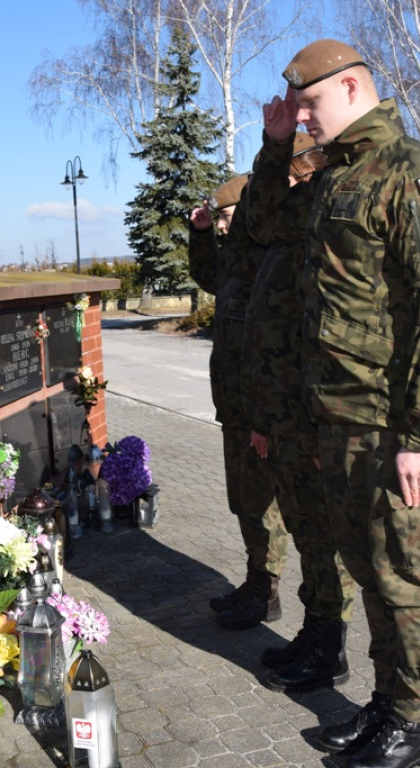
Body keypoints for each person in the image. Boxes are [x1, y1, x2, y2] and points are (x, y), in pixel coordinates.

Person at [264, 40, 420, 768]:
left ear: (352, 88)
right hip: (338, 419)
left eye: (311, 105)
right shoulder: (330, 179)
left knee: (406, 575)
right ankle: (388, 704)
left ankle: (414, 724)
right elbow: (267, 238)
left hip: (391, 423)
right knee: (369, 565)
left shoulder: (413, 173)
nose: (304, 120)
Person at [239, 132, 357, 692]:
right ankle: (315, 631)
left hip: (311, 417)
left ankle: (329, 644)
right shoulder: (282, 238)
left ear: (308, 174)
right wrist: (264, 418)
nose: (273, 189)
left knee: (325, 537)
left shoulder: (317, 231)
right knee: (308, 534)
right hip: (282, 414)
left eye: (284, 175)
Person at [188, 174, 288, 630]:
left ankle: (267, 590)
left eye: (226, 217)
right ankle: (254, 579)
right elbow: (209, 275)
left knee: (264, 505)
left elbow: (271, 345)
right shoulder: (238, 260)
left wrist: (263, 417)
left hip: (257, 412)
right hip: (233, 408)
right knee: (243, 501)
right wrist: (203, 233)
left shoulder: (268, 260)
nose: (225, 226)